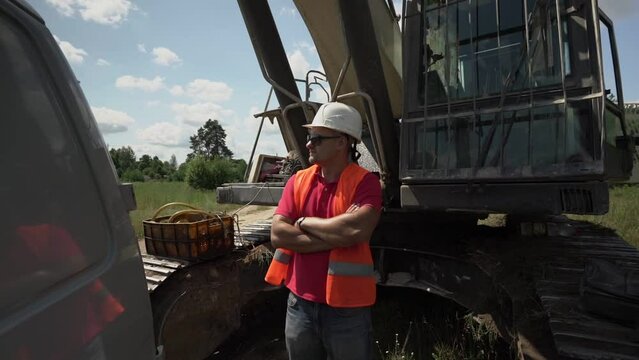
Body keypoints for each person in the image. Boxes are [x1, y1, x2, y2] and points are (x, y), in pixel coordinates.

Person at [266, 102, 382, 360]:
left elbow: (357, 230)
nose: (308, 144)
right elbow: (278, 235)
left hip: (347, 309)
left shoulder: (366, 182)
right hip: (300, 305)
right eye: (310, 138)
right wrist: (338, 235)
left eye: (317, 139)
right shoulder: (298, 180)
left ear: (341, 142)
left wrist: (304, 222)